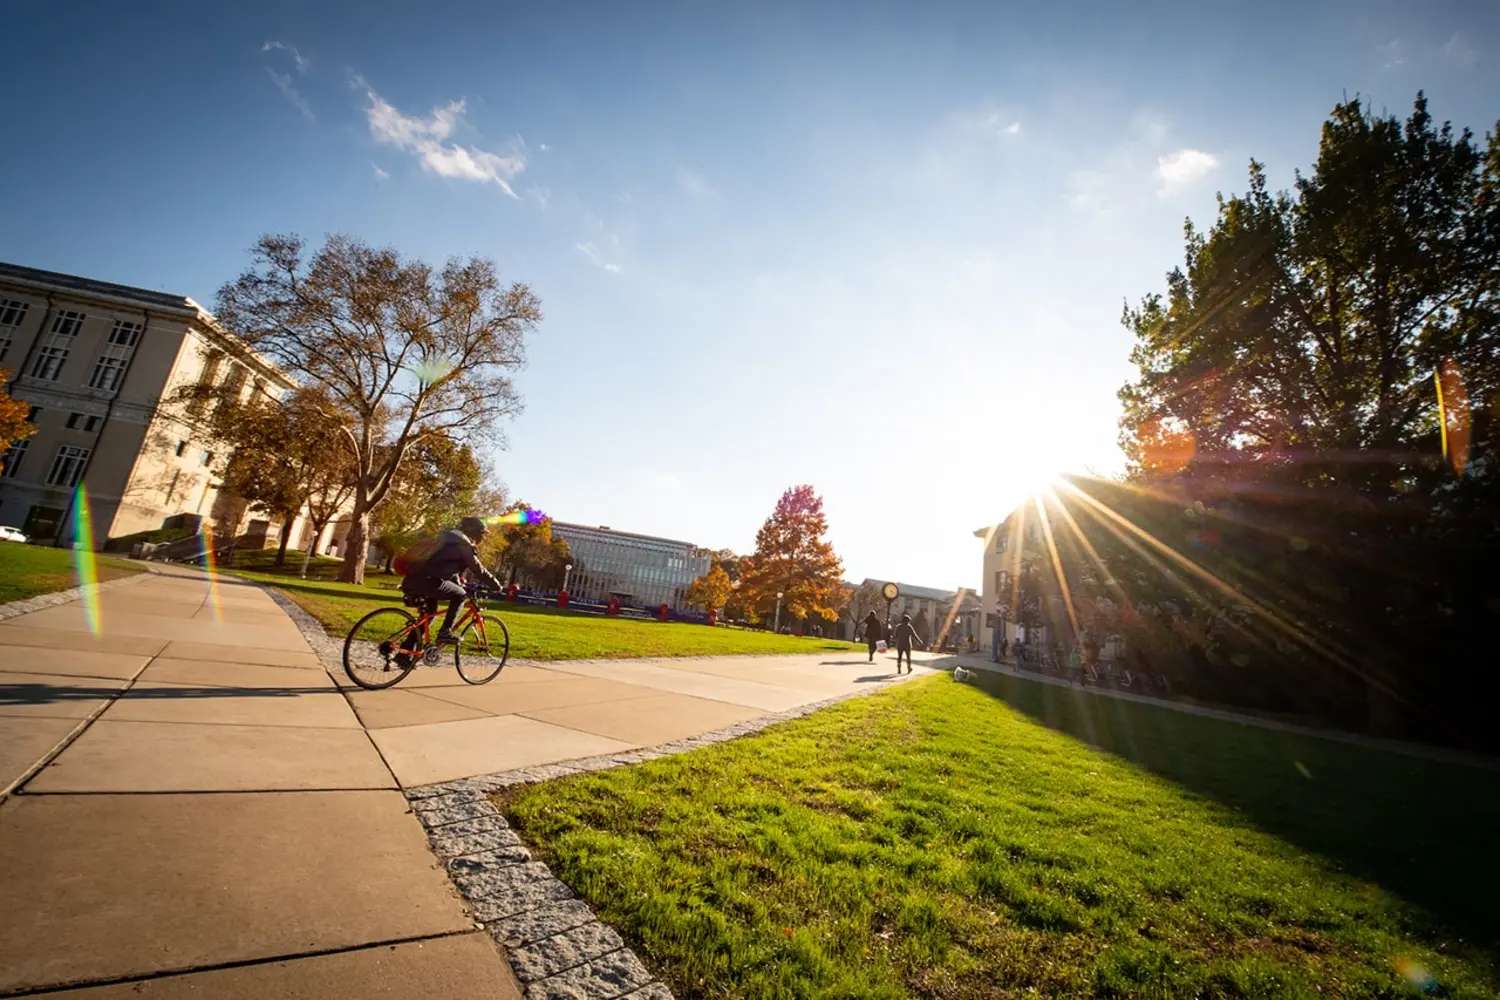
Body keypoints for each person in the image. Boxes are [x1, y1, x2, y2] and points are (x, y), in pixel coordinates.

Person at [400, 516, 504, 645]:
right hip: (428, 581)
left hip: (412, 580)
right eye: (482, 534)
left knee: (430, 615)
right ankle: (445, 632)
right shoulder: (463, 544)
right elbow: (478, 569)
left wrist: (457, 582)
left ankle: (403, 654)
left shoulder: (445, 538)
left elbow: (444, 566)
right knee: (460, 595)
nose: (483, 538)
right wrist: (496, 585)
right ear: (476, 533)